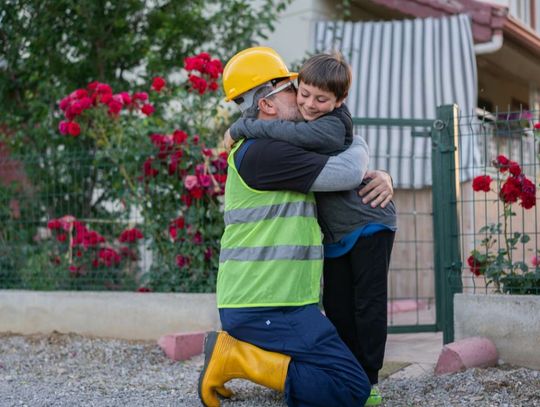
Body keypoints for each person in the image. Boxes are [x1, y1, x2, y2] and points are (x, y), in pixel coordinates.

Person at [198, 47, 392, 407]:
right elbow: (346, 171)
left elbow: (338, 163)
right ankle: (238, 358)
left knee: (339, 376)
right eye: (291, 88)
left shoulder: (277, 145)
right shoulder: (264, 153)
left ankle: (246, 356)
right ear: (268, 104)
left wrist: (383, 175)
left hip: (286, 302)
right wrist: (359, 143)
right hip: (265, 305)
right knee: (354, 390)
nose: (302, 96)